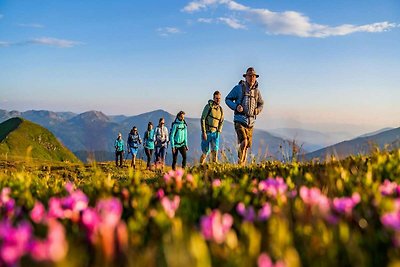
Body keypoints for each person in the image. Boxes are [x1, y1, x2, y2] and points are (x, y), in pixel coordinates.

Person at [225, 67, 264, 165]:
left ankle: (243, 165)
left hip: (251, 122)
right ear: (245, 77)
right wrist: (236, 106)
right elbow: (228, 99)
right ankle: (239, 163)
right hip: (239, 119)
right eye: (249, 76)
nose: (251, 78)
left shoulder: (257, 92)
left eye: (253, 76)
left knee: (246, 146)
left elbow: (261, 104)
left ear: (256, 78)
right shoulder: (238, 88)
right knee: (244, 142)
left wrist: (257, 110)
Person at [200, 91, 224, 164]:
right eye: (216, 98)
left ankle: (214, 168)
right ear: (213, 98)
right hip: (207, 132)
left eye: (219, 98)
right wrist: (204, 132)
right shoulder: (208, 107)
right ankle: (200, 165)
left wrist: (219, 131)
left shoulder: (221, 109)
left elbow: (221, 121)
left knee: (215, 152)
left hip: (215, 133)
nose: (218, 100)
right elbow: (203, 119)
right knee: (205, 152)